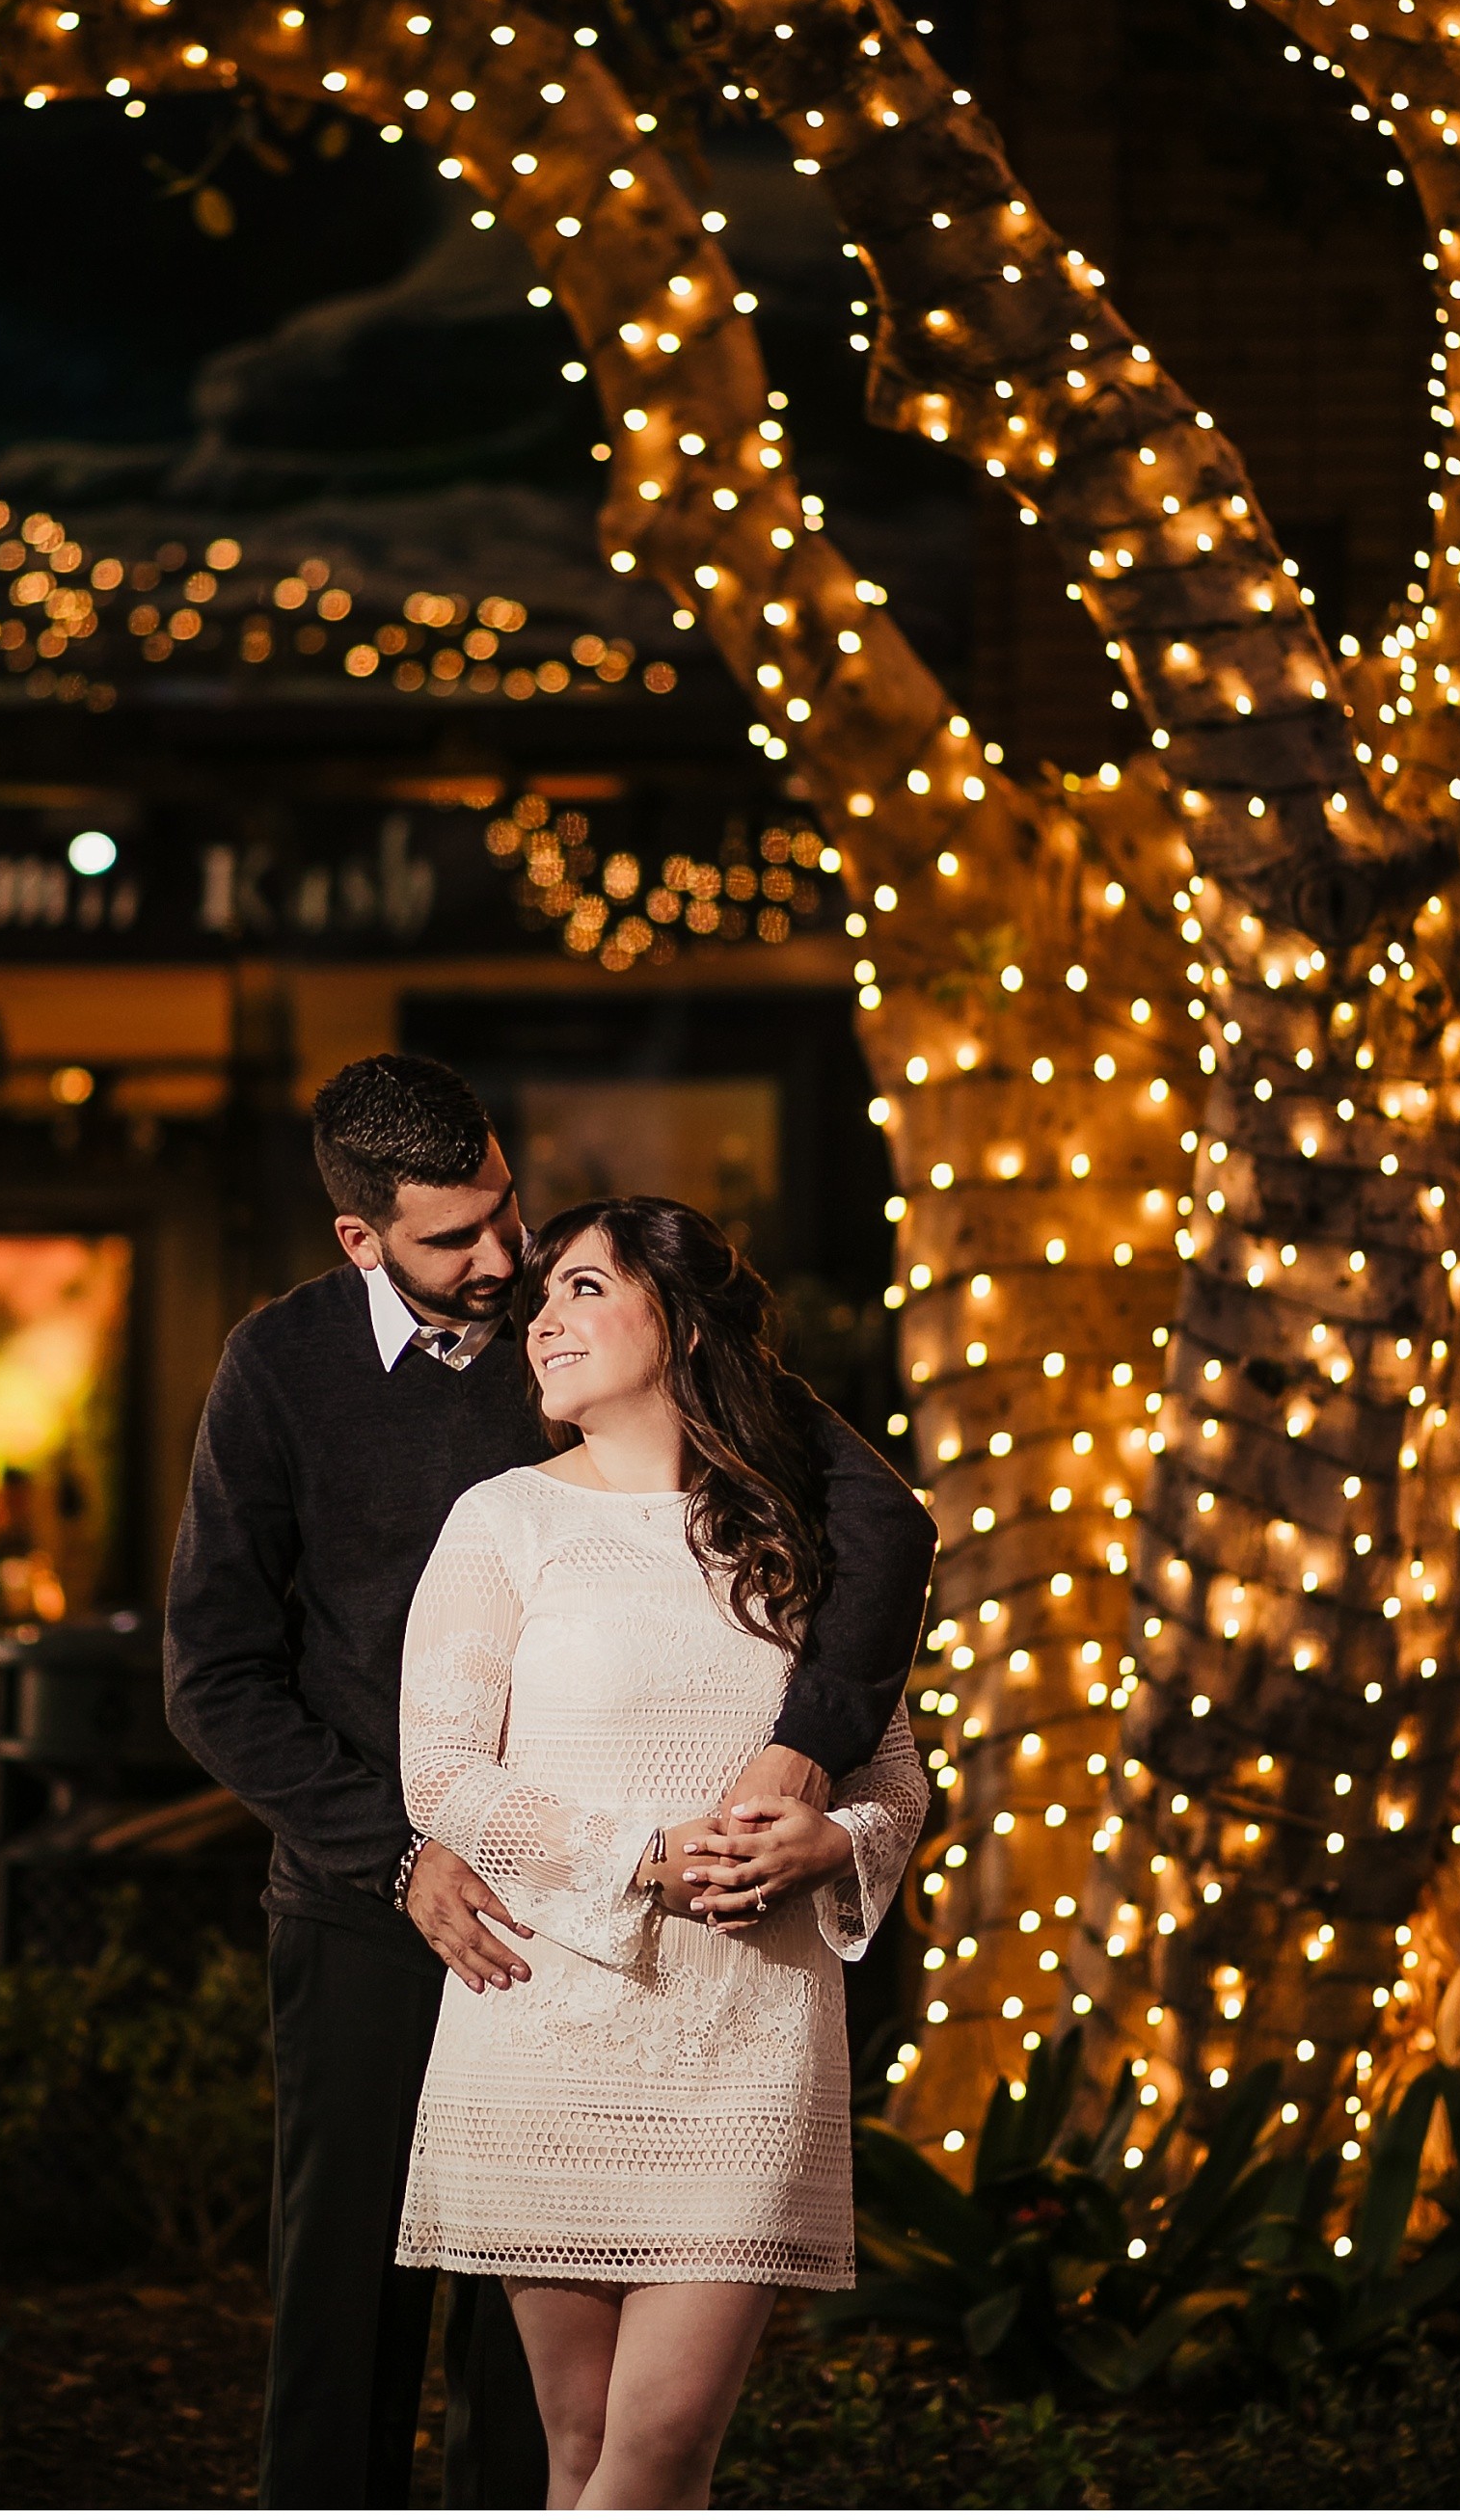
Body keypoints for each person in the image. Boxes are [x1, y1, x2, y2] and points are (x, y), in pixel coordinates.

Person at [162, 1055, 934, 2511]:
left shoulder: (583, 1324)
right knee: (345, 2318)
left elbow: (877, 1522)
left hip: (589, 1933)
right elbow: (213, 1673)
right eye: (455, 1240)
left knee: (539, 2410)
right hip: (364, 1899)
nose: (503, 1262)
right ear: (361, 1239)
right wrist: (399, 1852)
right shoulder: (283, 1367)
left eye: (506, 1213)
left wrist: (806, 1752)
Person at [394, 1196, 929, 2511]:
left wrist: (834, 1840)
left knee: (660, 2451)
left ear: (680, 1323)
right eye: (543, 1301)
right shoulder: (501, 1523)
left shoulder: (800, 1535)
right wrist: (643, 1856)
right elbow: (446, 1773)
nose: (544, 1321)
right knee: (578, 2456)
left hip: (750, 2041)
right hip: (543, 2021)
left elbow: (898, 1778)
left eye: (582, 1288)